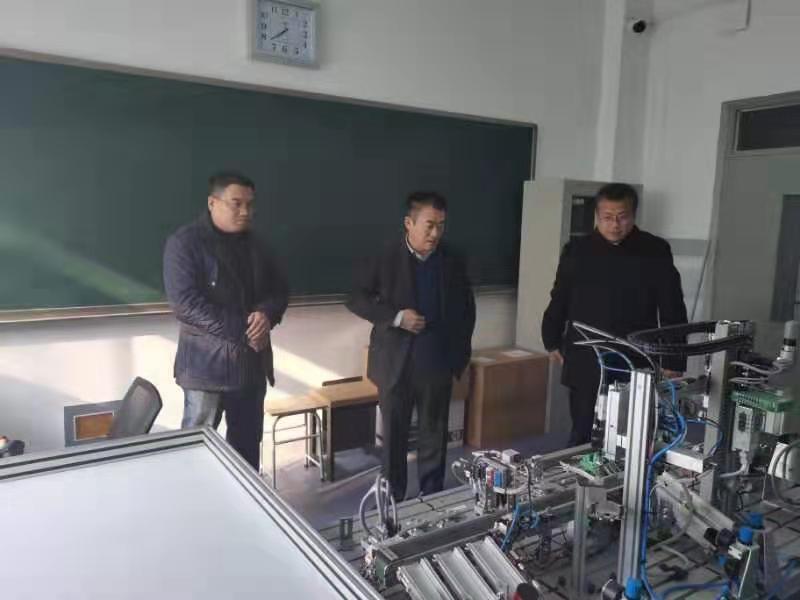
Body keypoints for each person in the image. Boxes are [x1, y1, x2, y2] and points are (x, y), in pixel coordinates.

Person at [347, 191, 475, 501]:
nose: (435, 233)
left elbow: (466, 309)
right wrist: (396, 317)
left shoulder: (453, 259)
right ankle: (393, 500)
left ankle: (432, 497)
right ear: (409, 223)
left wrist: (458, 358)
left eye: (441, 225)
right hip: (395, 364)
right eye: (429, 225)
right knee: (394, 438)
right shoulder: (385, 256)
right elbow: (356, 298)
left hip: (436, 362)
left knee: (434, 435)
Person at [541, 182, 687, 447]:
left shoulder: (654, 250)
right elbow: (560, 297)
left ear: (633, 215)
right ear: (597, 216)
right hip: (586, 355)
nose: (615, 225)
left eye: (622, 217)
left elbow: (672, 307)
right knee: (584, 431)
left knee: (632, 436)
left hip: (635, 356)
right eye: (607, 217)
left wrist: (673, 359)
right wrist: (550, 339)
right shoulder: (577, 250)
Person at [163, 171, 288, 470]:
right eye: (236, 203)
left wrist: (267, 314)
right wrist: (245, 330)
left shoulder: (258, 245)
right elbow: (186, 305)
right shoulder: (185, 243)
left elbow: (279, 290)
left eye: (250, 204)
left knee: (247, 451)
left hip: (251, 366)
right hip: (206, 370)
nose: (245, 211)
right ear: (212, 203)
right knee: (195, 452)